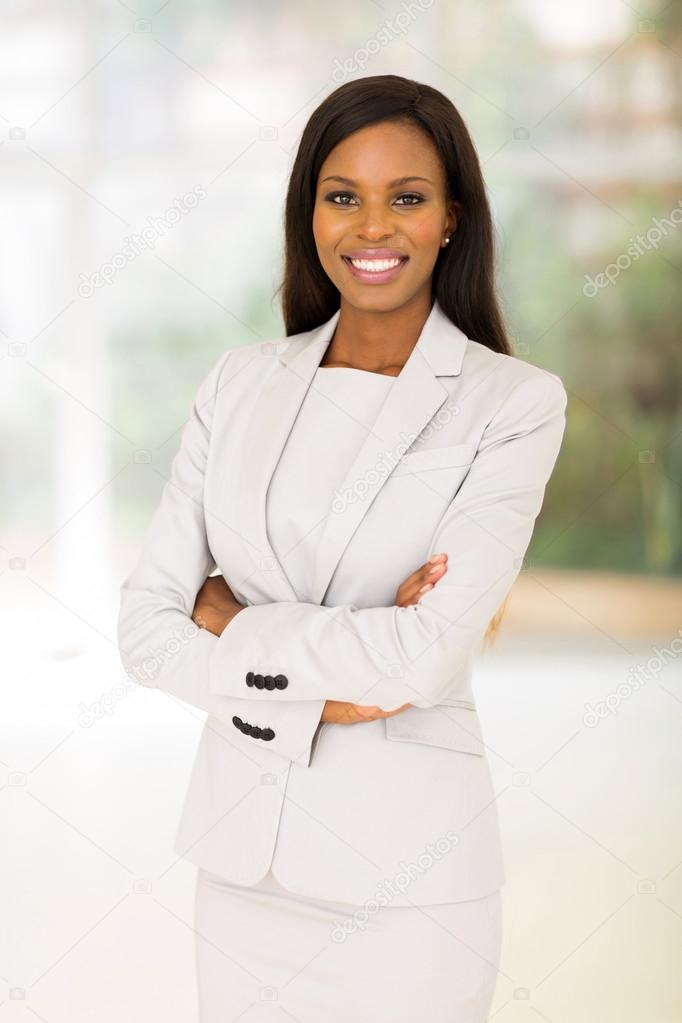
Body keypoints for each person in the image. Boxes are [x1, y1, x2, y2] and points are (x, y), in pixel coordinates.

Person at [117, 73, 568, 1022]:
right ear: (309, 214)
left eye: (406, 197)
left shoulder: (511, 404)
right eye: (342, 197)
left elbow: (426, 652)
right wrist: (345, 672)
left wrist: (236, 627)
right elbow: (148, 632)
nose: (372, 228)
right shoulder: (238, 383)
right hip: (243, 873)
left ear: (452, 218)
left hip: (410, 885)